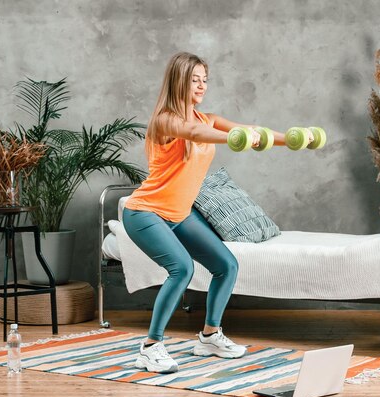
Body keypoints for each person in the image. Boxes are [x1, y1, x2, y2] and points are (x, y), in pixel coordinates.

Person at [123, 52, 309, 373]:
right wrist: (231, 139)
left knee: (226, 265)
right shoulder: (165, 120)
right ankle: (150, 347)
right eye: (195, 79)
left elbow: (251, 131)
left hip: (179, 214)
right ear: (179, 81)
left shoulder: (207, 117)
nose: (202, 86)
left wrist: (289, 140)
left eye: (205, 80)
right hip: (145, 212)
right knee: (181, 268)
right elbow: (194, 134)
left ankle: (209, 336)